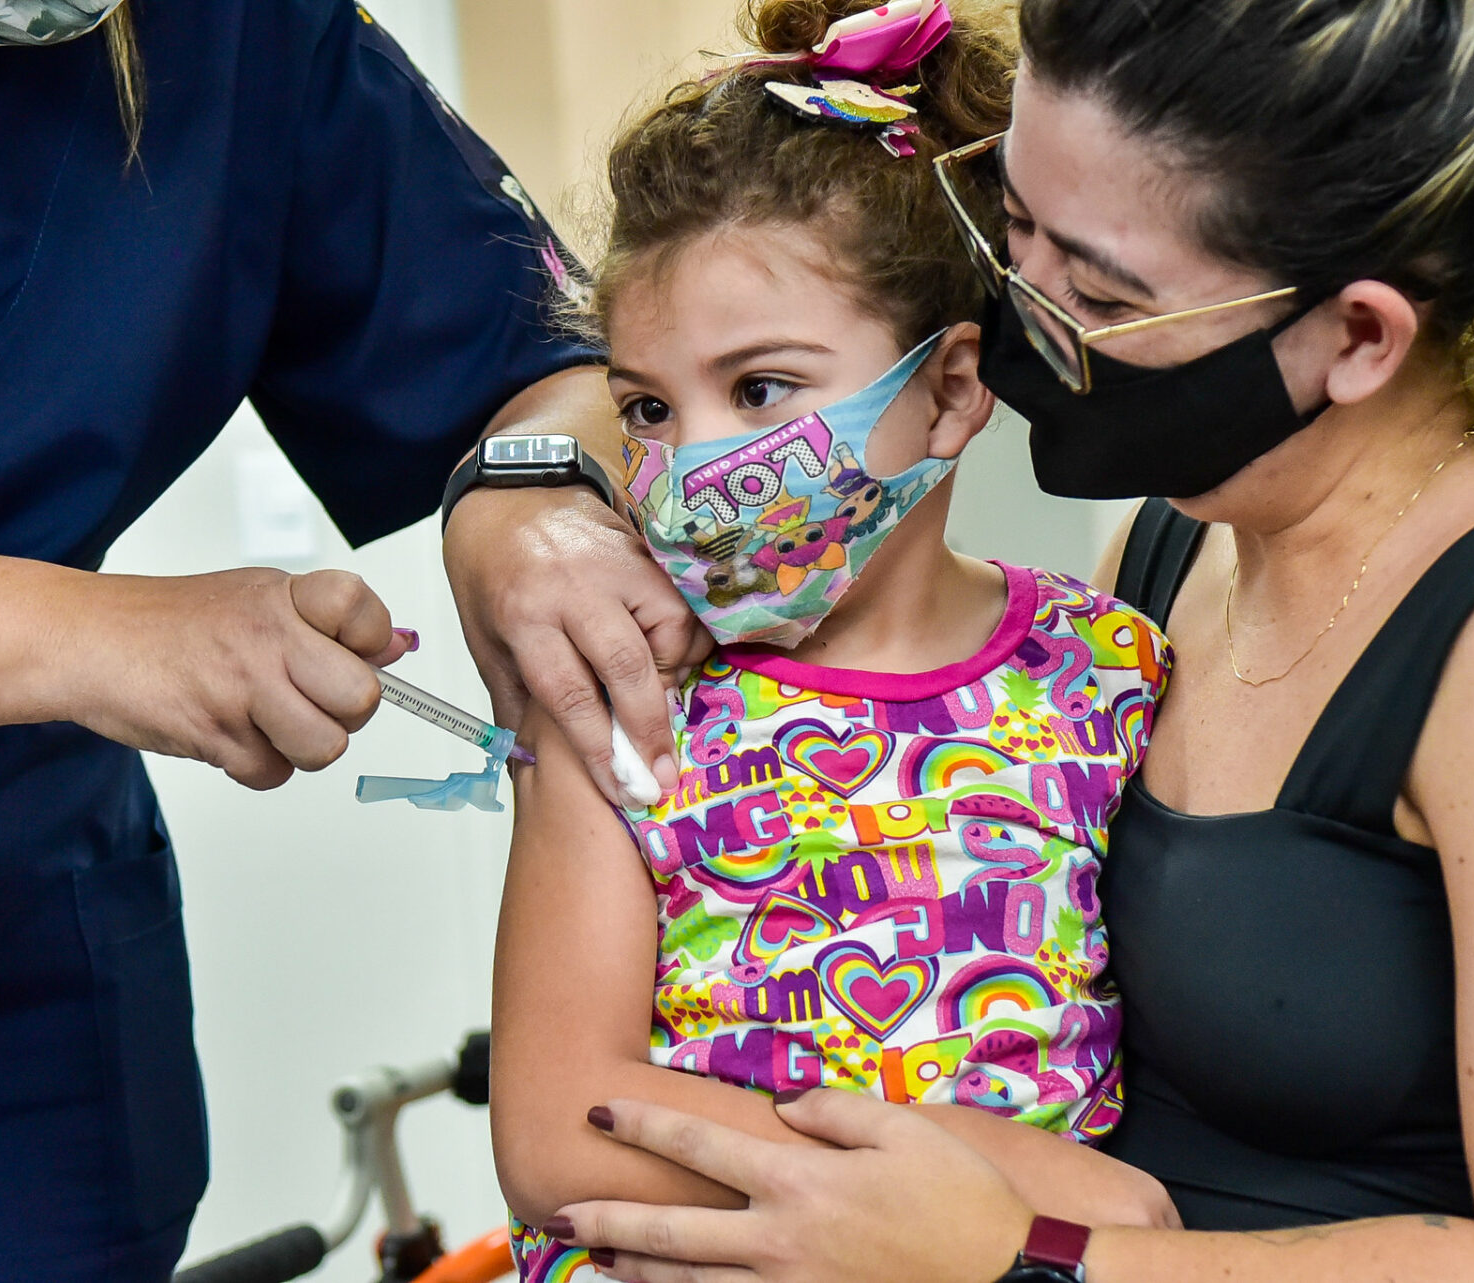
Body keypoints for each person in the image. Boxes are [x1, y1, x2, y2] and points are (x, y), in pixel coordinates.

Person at [516, 0, 1474, 1279]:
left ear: (1356, 336)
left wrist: (1041, 1254)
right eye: (1011, 222)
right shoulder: (1176, 553)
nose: (1020, 309)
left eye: (1096, 286)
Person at [0, 0, 688, 1276]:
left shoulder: (237, 36)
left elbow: (539, 366)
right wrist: (86, 636)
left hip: (20, 996)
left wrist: (529, 498)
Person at [488, 5, 1178, 1280]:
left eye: (760, 388)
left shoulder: (1109, 667)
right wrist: (1018, 1184)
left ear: (953, 389)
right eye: (646, 404)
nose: (692, 457)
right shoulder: (629, 699)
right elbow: (553, 1132)